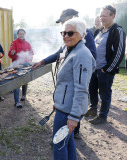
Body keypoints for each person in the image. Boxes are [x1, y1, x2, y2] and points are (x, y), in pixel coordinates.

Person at [32, 8, 96, 139]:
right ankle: (70, 134)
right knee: (67, 140)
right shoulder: (70, 40)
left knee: (62, 140)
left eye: (64, 21)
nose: (65, 33)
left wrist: (73, 59)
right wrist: (42, 61)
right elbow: (58, 53)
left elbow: (91, 57)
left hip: (79, 76)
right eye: (63, 32)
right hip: (66, 94)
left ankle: (73, 129)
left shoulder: (84, 35)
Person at [52, 18, 95, 160]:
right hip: (64, 107)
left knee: (58, 144)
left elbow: (82, 89)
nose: (65, 36)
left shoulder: (82, 54)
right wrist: (58, 102)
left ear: (82, 35)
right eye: (63, 32)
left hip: (68, 111)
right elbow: (66, 83)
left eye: (70, 33)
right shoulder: (72, 50)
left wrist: (74, 117)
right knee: (67, 141)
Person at [86, 5, 126, 124]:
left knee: (104, 93)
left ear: (112, 16)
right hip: (94, 68)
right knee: (91, 90)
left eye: (104, 16)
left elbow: (119, 52)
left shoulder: (117, 30)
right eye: (100, 16)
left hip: (105, 70)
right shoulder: (98, 31)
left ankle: (102, 116)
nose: (101, 18)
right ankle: (93, 109)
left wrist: (107, 69)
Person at [8, 29, 34, 108]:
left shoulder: (27, 44)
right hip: (17, 65)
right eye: (20, 34)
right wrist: (12, 53)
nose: (21, 35)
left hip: (26, 65)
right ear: (17, 35)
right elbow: (10, 54)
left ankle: (23, 95)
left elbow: (31, 54)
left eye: (23, 34)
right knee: (17, 83)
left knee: (25, 80)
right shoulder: (14, 43)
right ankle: (17, 102)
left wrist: (29, 60)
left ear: (24, 34)